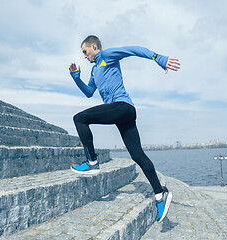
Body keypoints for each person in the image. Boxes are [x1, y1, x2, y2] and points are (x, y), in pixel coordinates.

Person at [68, 35, 180, 222]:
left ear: (93, 46)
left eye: (85, 52)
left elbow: (133, 49)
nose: (84, 56)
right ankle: (160, 195)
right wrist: (76, 79)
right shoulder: (95, 71)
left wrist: (158, 58)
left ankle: (92, 162)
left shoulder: (107, 56)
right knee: (137, 155)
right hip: (123, 114)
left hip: (122, 106)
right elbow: (89, 93)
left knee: (79, 118)